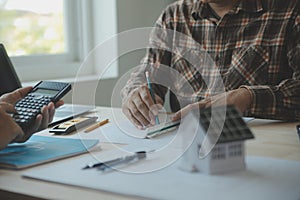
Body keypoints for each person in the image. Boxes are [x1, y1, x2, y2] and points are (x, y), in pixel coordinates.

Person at [121, 0, 300, 129]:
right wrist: (135, 94)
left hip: (260, 143)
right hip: (188, 144)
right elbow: (147, 74)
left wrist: (248, 97)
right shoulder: (173, 17)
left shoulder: (290, 12)